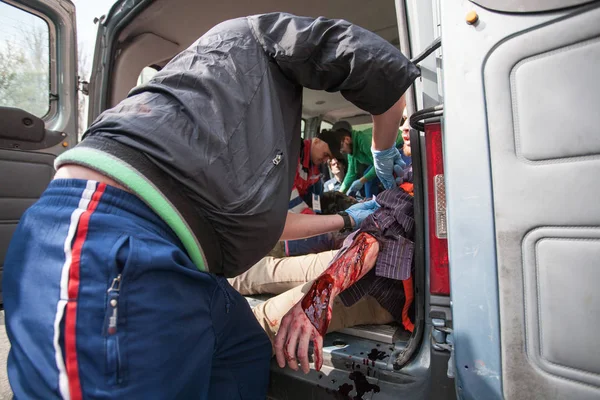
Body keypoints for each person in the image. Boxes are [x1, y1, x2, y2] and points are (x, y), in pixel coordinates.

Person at [3, 12, 419, 399]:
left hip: (191, 263)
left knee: (247, 353)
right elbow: (379, 70)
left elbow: (267, 223)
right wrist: (381, 161)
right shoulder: (256, 40)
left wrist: (344, 217)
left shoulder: (239, 131)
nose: (404, 133)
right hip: (108, 234)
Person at [274, 114, 418, 374]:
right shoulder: (408, 170)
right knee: (269, 271)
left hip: (378, 284)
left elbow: (377, 235)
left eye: (409, 119)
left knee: (268, 319)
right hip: (348, 256)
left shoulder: (429, 178)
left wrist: (320, 294)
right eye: (402, 119)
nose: (404, 127)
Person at [335, 121, 406, 198]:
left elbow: (380, 164)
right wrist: (339, 193)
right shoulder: (352, 151)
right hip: (383, 159)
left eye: (341, 147)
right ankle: (371, 202)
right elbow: (351, 174)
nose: (341, 151)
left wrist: (362, 180)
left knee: (372, 177)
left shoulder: (364, 140)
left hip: (398, 146)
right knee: (368, 176)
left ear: (347, 139)